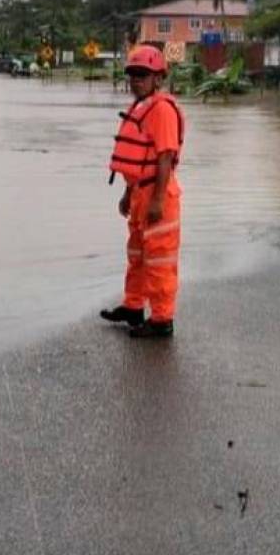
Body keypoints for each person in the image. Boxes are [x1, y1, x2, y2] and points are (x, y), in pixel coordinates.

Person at [100, 45, 185, 339]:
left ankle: (162, 320)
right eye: (133, 74)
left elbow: (164, 157)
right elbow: (137, 157)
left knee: (159, 261)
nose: (136, 79)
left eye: (143, 74)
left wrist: (158, 199)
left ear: (157, 78)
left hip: (157, 196)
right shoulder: (140, 107)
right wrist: (127, 193)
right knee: (136, 255)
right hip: (139, 194)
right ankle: (134, 307)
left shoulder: (161, 110)